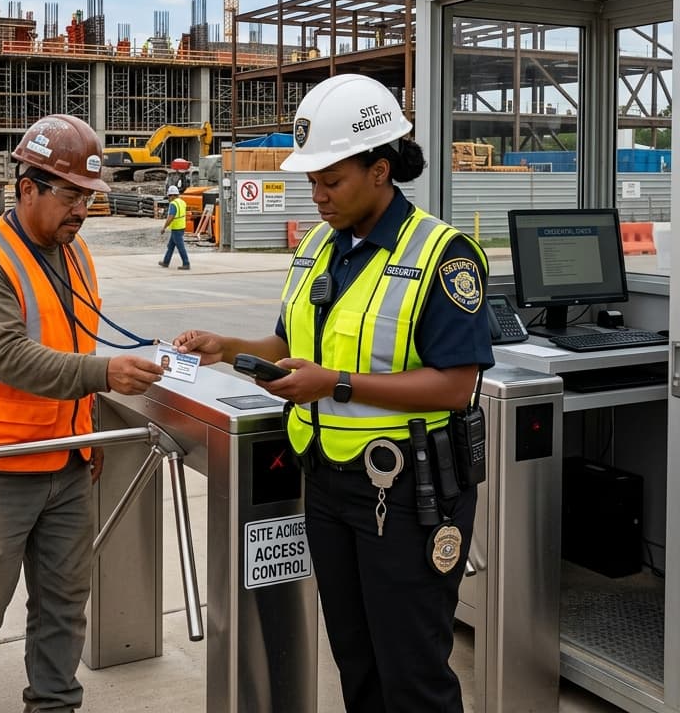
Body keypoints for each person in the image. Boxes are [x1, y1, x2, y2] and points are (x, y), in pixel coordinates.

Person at [173, 74, 494, 713]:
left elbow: (457, 386)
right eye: (311, 181)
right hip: (326, 484)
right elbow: (291, 342)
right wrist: (225, 345)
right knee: (356, 660)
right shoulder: (323, 244)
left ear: (380, 170)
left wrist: (337, 385)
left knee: (413, 672)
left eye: (331, 181)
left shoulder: (442, 254)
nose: (316, 196)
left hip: (408, 492)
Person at [0, 113, 163, 713]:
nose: (82, 210)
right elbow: (12, 358)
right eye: (71, 195)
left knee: (64, 603)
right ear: (27, 187)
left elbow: (75, 343)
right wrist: (105, 375)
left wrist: (85, 434)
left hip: (66, 462)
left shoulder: (76, 251)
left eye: (88, 196)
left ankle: (55, 707)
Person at [158, 184, 190, 270]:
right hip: (181, 227)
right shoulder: (182, 202)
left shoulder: (173, 204)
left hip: (176, 228)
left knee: (180, 247)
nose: (168, 198)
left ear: (172, 195)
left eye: (169, 196)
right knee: (171, 246)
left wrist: (164, 227)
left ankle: (186, 263)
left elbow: (171, 217)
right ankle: (166, 262)